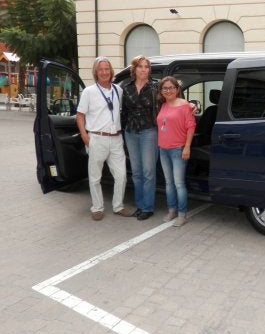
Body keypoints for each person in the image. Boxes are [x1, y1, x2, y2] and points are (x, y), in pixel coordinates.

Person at [76, 56, 130, 220]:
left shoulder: (118, 90)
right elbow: (80, 116)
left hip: (116, 139)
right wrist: (85, 136)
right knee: (95, 176)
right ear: (96, 72)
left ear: (111, 71)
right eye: (101, 70)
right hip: (97, 138)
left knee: (121, 175)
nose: (104, 72)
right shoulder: (89, 92)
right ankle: (97, 207)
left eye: (107, 69)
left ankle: (118, 206)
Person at [121, 55, 158, 221]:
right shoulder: (126, 88)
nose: (144, 69)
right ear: (134, 69)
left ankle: (148, 207)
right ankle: (140, 205)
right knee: (136, 172)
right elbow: (123, 112)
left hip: (149, 131)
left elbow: (173, 99)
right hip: (131, 132)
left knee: (148, 171)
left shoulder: (156, 87)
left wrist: (190, 106)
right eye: (140, 66)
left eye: (147, 67)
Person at [157, 76, 196, 227]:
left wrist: (187, 147)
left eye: (171, 88)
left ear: (177, 89)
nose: (168, 91)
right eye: (164, 88)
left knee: (179, 183)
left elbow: (191, 127)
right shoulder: (163, 105)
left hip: (178, 150)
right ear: (161, 91)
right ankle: (171, 210)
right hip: (163, 149)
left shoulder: (185, 105)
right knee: (169, 183)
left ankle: (182, 214)